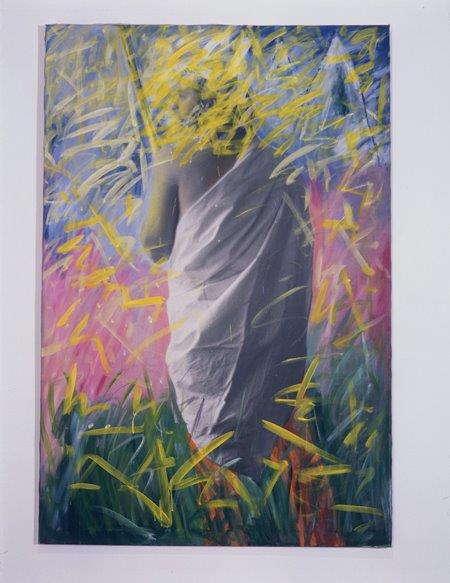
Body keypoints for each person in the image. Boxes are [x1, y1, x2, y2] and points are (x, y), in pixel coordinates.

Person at [141, 82, 312, 480]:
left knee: (213, 477)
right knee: (279, 455)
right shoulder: (280, 162)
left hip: (204, 336)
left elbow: (155, 245)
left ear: (208, 97)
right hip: (271, 335)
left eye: (182, 92)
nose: (171, 100)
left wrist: (159, 167)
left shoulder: (174, 156)